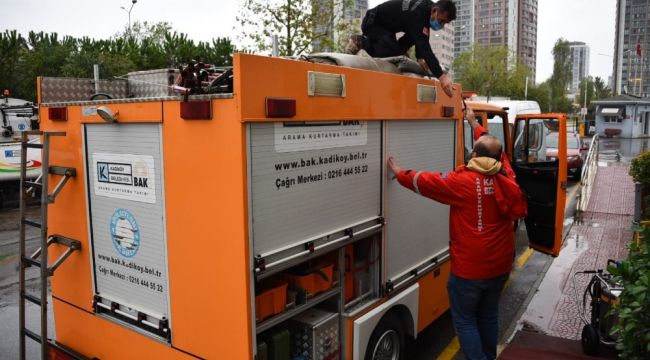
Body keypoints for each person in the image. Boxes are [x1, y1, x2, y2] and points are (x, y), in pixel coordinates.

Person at [387, 107, 527, 360]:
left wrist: (399, 174)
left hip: (469, 272)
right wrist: (474, 123)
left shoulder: (461, 183)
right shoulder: (506, 175)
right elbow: (496, 151)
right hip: (499, 267)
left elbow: (426, 182)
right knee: (487, 315)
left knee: (465, 321)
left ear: (474, 155)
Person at [350, 0, 457, 97]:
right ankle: (360, 42)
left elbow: (422, 36)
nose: (441, 26)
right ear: (435, 11)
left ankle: (397, 51)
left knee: (403, 47)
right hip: (373, 22)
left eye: (444, 23)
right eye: (441, 21)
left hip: (387, 28)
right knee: (391, 53)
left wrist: (419, 57)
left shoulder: (427, 9)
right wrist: (442, 77)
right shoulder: (419, 13)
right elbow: (425, 48)